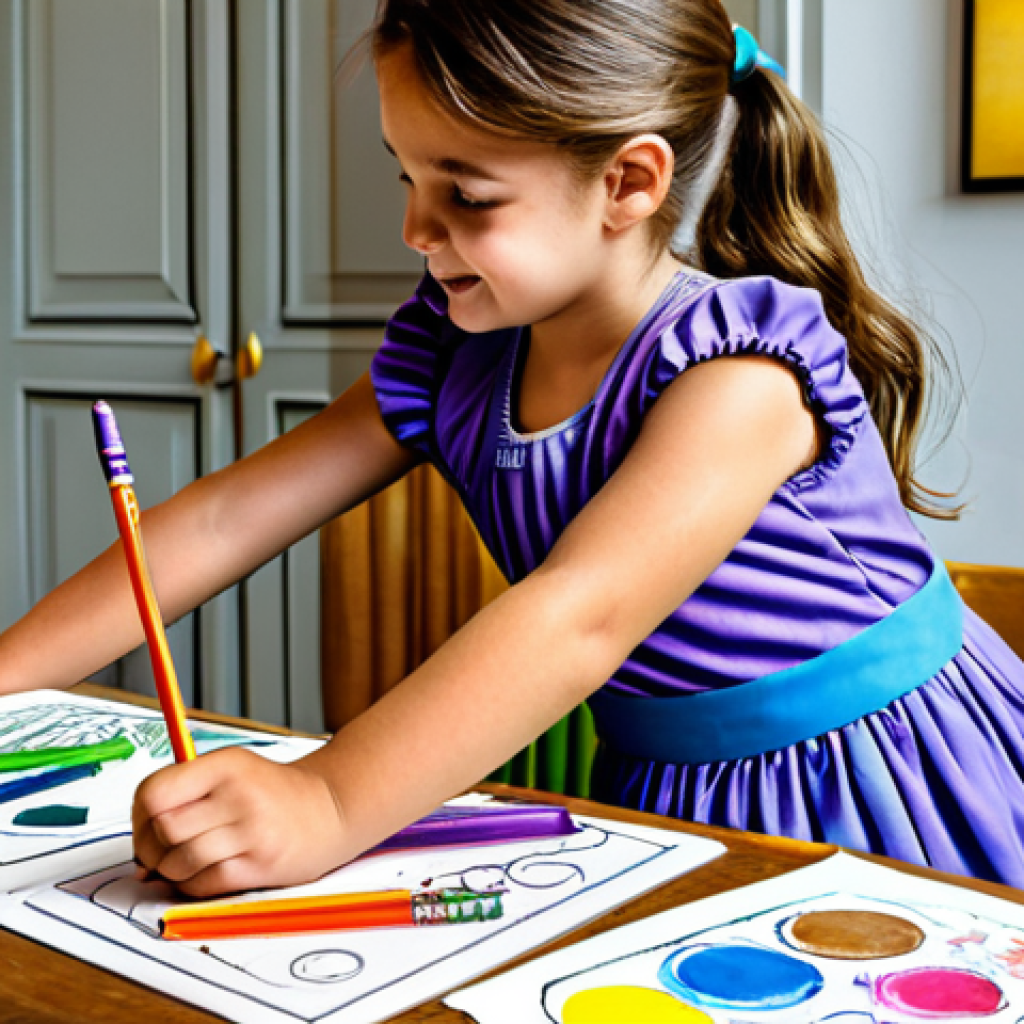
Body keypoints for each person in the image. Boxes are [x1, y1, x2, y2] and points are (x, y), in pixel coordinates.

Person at [3, 0, 1024, 896]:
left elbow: (580, 614)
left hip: (882, 781)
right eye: (404, 174)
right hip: (665, 784)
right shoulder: (451, 354)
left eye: (467, 194)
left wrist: (322, 797)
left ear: (628, 181)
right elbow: (225, 517)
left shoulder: (741, 374)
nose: (413, 225)